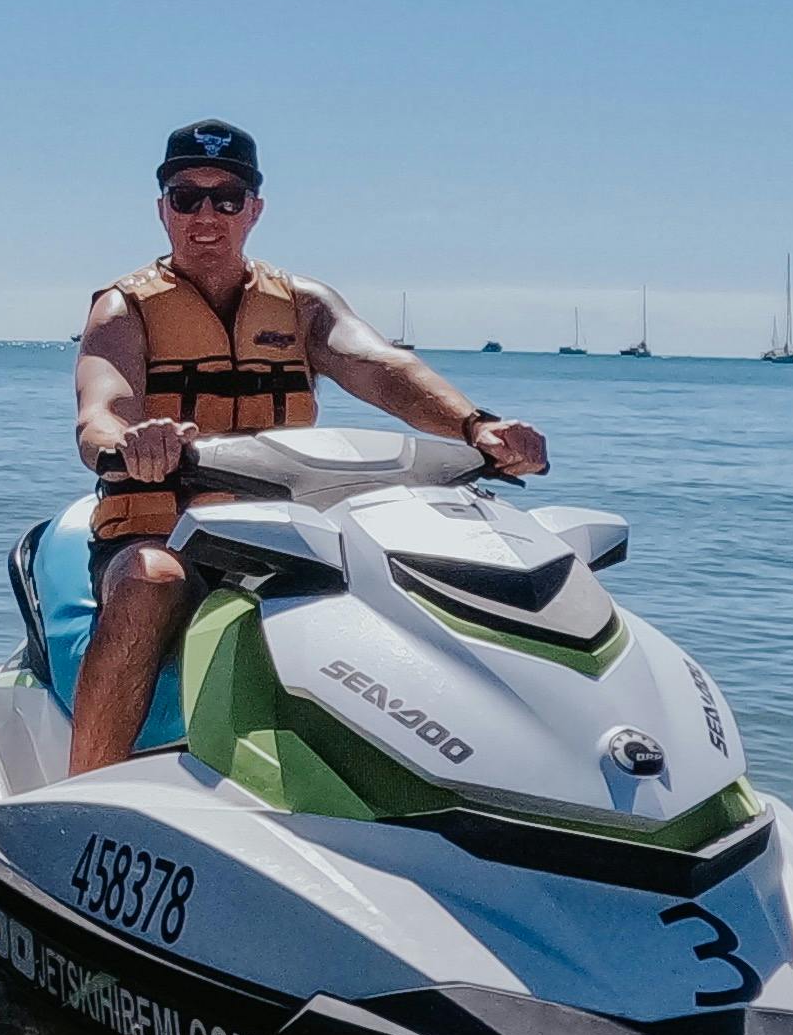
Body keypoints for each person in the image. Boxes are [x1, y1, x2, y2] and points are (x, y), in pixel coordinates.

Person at [65, 117, 546, 773]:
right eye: (187, 197)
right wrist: (132, 441)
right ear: (163, 209)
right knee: (151, 581)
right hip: (164, 531)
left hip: (279, 531)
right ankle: (87, 788)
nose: (207, 215)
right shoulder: (124, 309)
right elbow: (99, 415)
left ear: (254, 210)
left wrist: (475, 426)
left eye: (227, 198)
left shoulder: (301, 305)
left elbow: (384, 368)